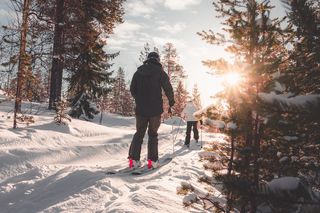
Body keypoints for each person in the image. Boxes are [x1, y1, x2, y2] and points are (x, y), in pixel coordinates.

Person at [128, 52, 175, 169]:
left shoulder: (138, 72)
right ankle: (152, 162)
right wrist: (171, 101)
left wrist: (139, 99)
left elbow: (132, 89)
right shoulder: (160, 73)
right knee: (153, 135)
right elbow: (168, 88)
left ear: (147, 59)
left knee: (139, 133)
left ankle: (133, 160)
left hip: (141, 109)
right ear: (158, 60)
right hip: (155, 110)